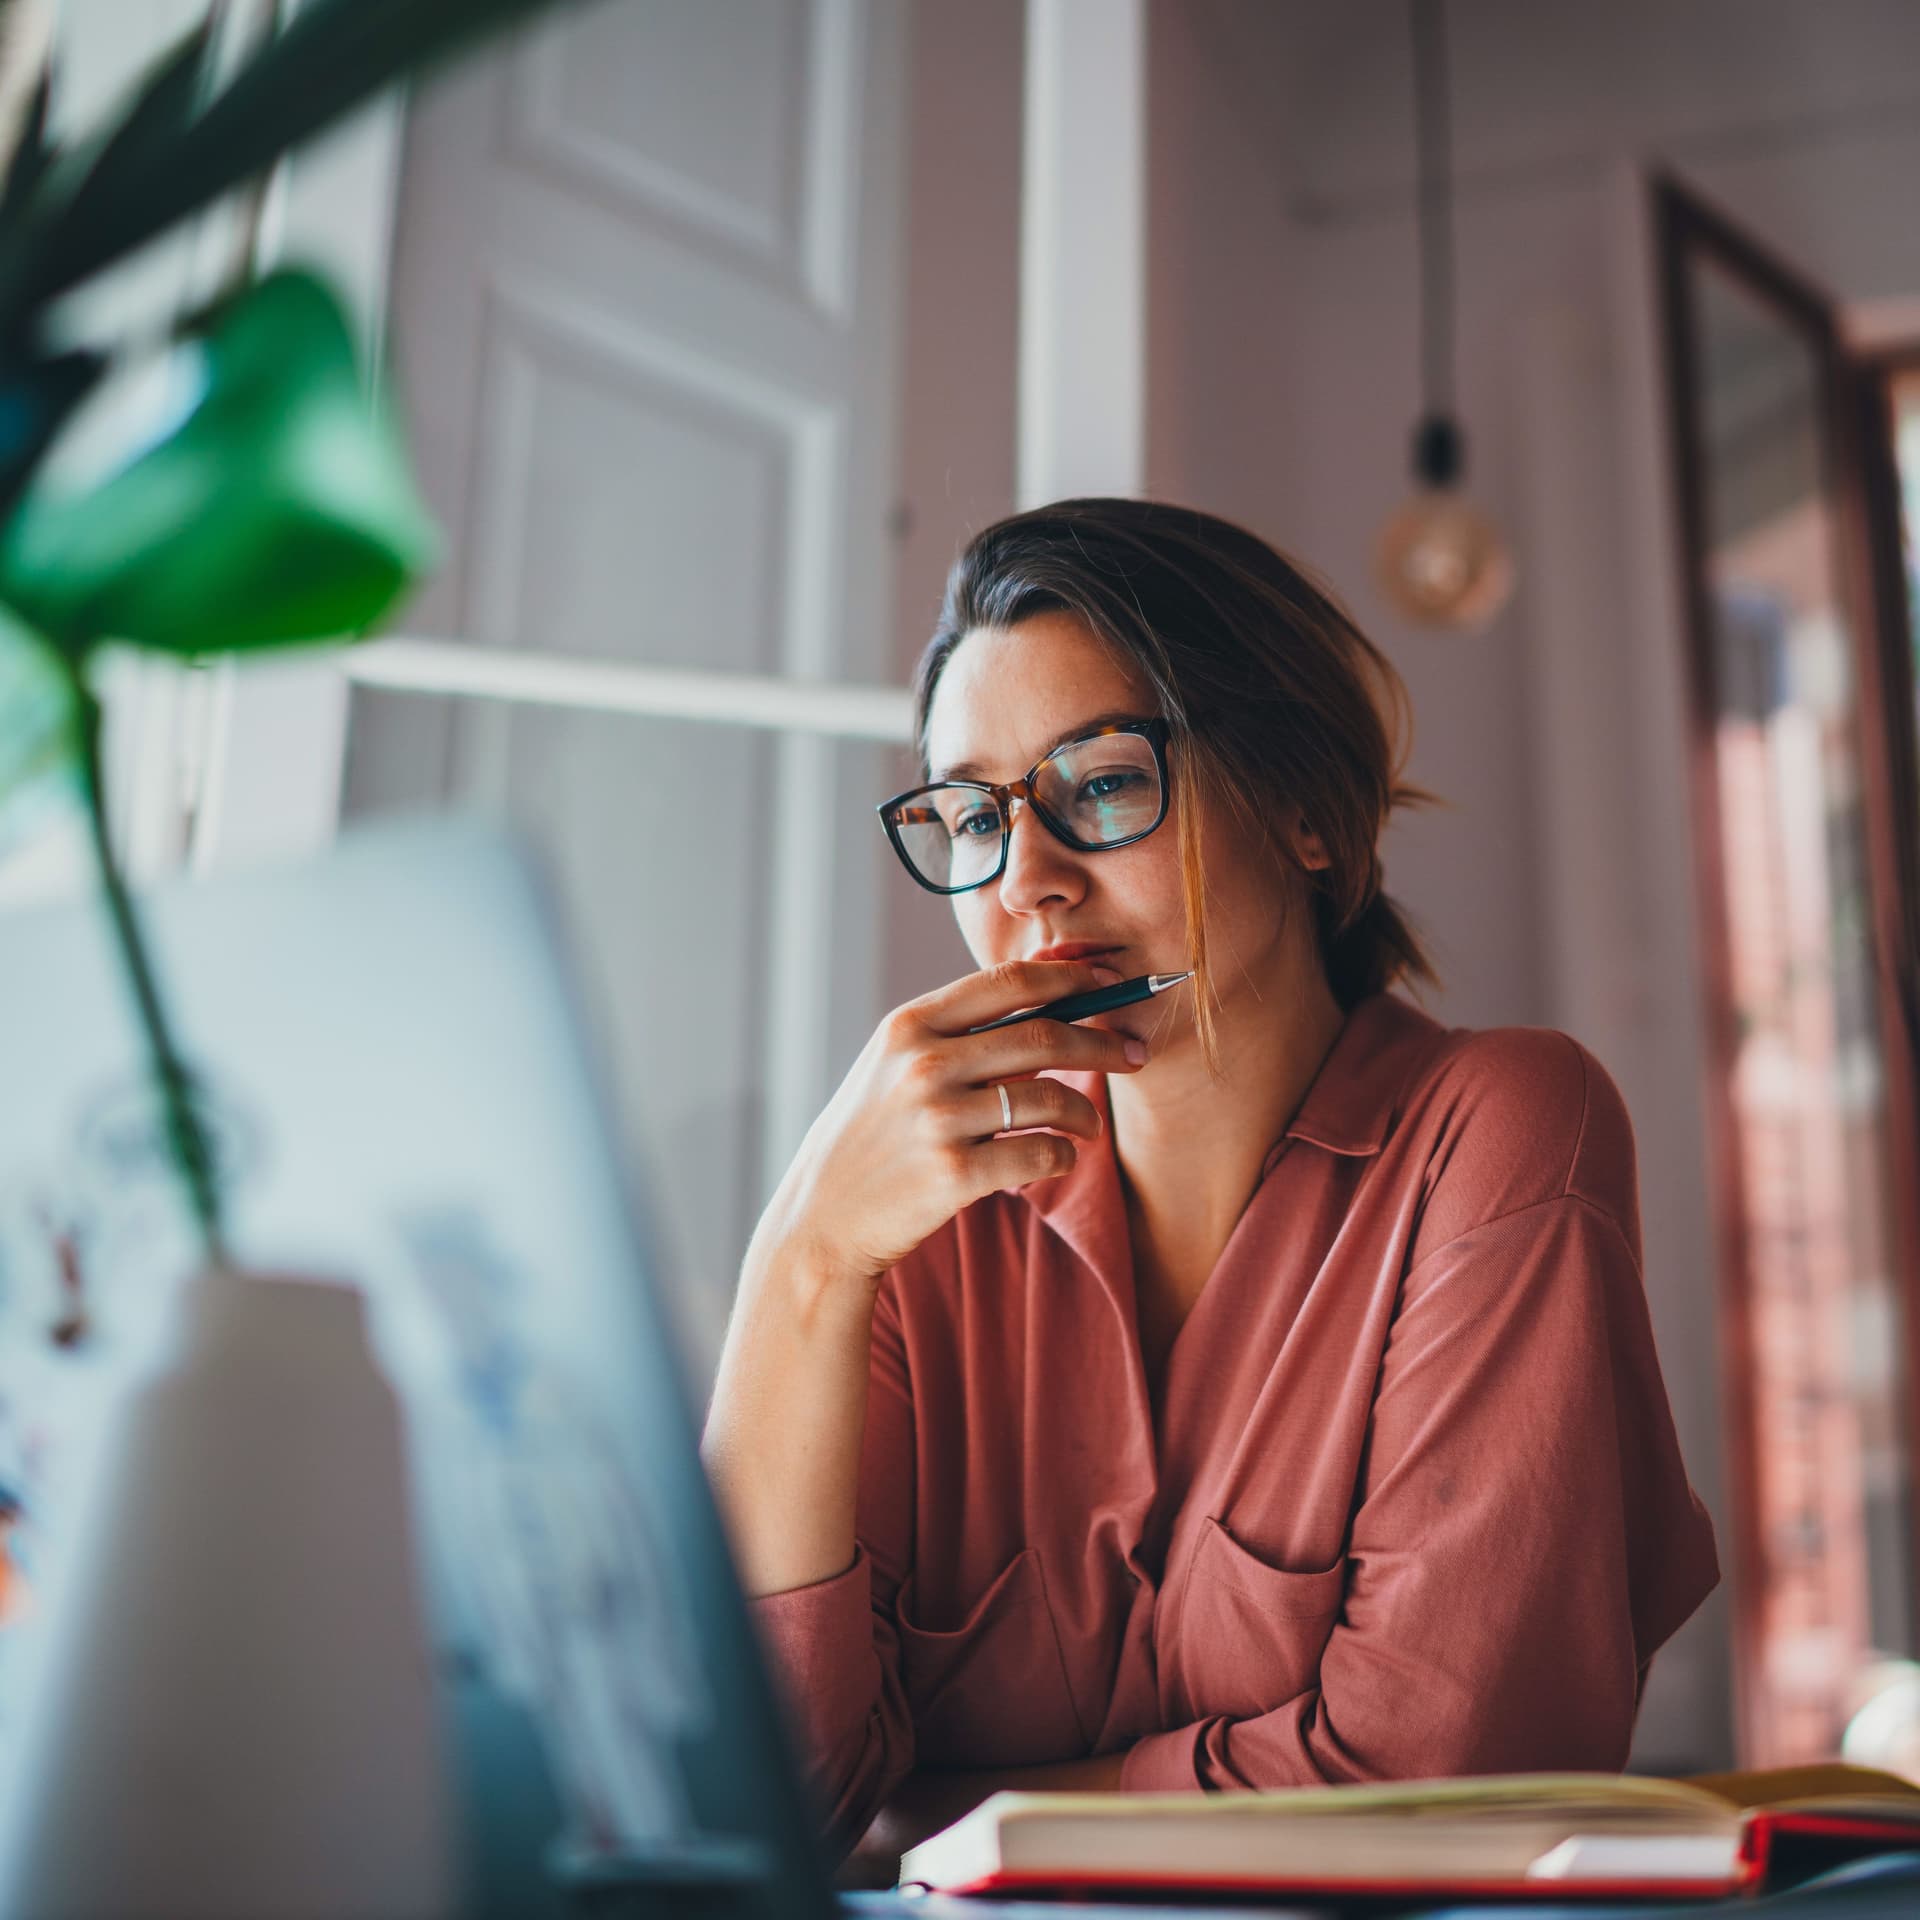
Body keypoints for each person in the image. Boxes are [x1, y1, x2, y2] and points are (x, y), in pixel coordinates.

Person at [701, 498, 1719, 1868]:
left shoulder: (1499, 1131)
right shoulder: (907, 1229)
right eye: (972, 817)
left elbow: (1438, 1780)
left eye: (1104, 782)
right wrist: (804, 1258)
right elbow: (754, 1808)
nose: (1031, 888)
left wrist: (935, 1818)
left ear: (1304, 808)